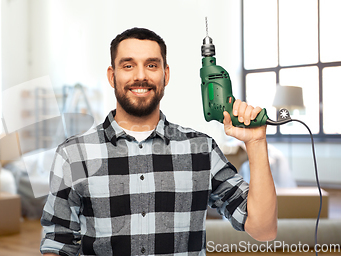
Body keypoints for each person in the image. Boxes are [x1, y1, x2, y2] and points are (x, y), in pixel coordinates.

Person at [40, 27, 277, 256]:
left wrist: (256, 142)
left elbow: (263, 229)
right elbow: (58, 243)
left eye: (152, 65)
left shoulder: (202, 150)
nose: (141, 76)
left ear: (166, 75)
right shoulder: (73, 154)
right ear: (112, 76)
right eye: (128, 65)